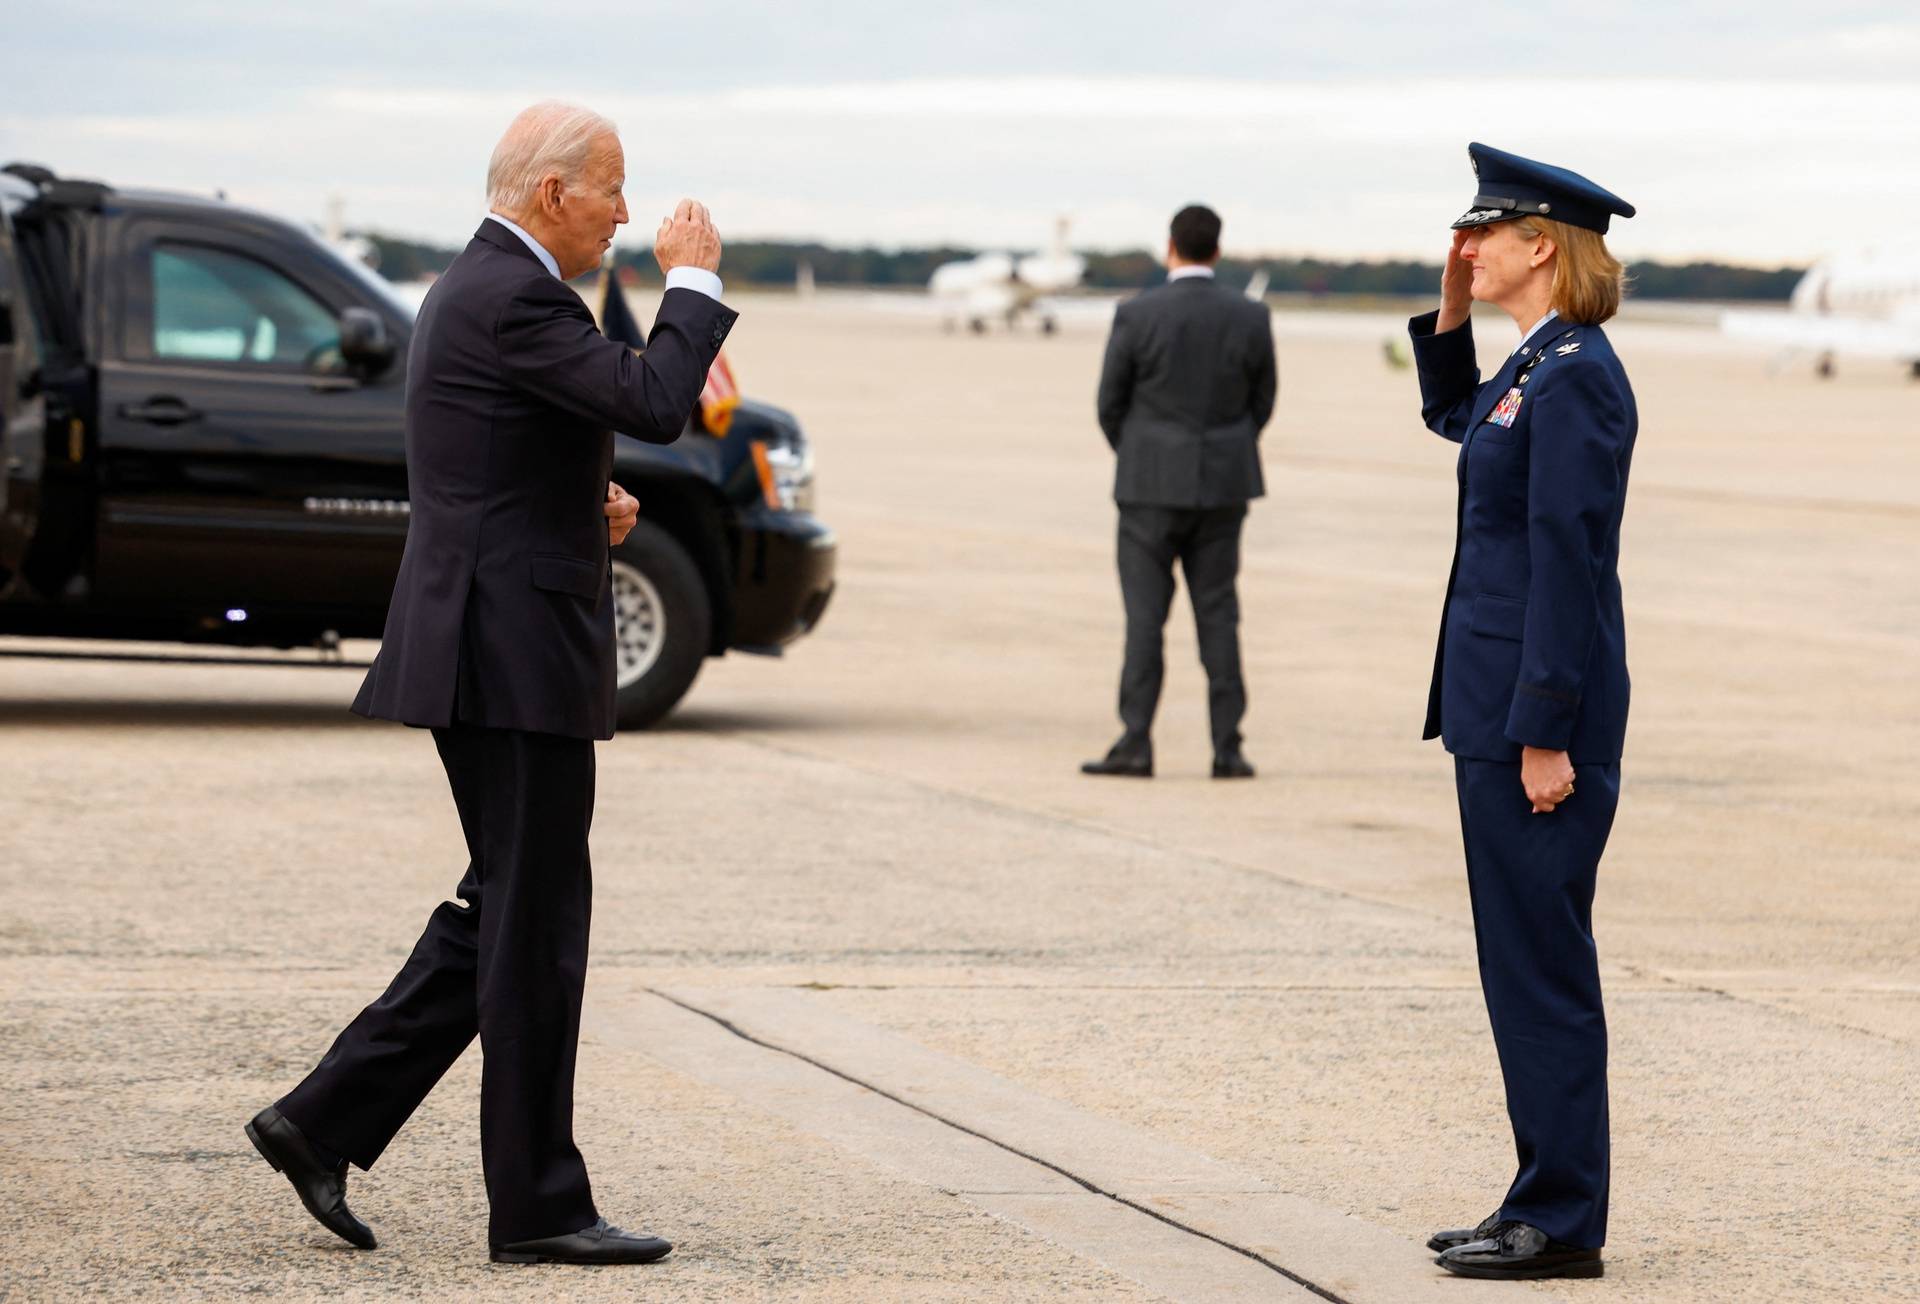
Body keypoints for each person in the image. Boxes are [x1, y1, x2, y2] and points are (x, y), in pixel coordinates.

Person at [243, 102, 736, 1267]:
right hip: (507, 648)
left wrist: (589, 503)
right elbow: (656, 398)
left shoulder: (482, 287)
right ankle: (538, 1205)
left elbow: (497, 459)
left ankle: (319, 1120)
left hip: (495, 633)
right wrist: (694, 283)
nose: (625, 211)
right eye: (612, 189)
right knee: (534, 919)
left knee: (509, 903)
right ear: (552, 193)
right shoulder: (512, 292)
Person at [1409, 143, 1637, 1281]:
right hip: (1495, 707)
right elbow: (1460, 420)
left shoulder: (1579, 373)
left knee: (1541, 962)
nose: (1468, 246)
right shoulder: (1534, 367)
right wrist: (1449, 306)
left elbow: (1566, 557)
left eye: (1483, 234)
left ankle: (1561, 1215)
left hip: (1534, 717)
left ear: (1542, 243)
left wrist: (1544, 725)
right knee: (1519, 961)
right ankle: (1538, 1194)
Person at [1083, 204, 1276, 780]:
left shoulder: (1135, 314)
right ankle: (1227, 747)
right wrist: (1222, 450)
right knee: (1219, 615)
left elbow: (1108, 405)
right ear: (1216, 250)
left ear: (1171, 246)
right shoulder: (1249, 316)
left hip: (1147, 488)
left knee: (1145, 619)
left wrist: (1143, 454)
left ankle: (1136, 742)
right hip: (1223, 485)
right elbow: (1261, 402)